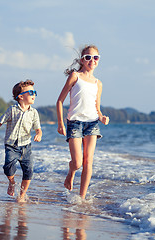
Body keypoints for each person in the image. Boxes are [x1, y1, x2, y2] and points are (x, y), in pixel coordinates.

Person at [56, 45, 110, 200]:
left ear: (98, 60)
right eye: (88, 57)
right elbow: (60, 101)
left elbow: (97, 107)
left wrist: (102, 117)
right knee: (78, 162)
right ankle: (71, 172)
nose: (92, 60)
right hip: (74, 122)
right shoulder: (75, 76)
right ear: (82, 60)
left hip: (92, 123)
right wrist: (60, 123)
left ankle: (82, 198)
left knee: (88, 161)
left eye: (95, 57)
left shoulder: (98, 83)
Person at [0, 80, 42, 203]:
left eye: (35, 92)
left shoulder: (34, 112)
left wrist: (38, 134)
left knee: (29, 170)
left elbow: (38, 128)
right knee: (8, 168)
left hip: (26, 146)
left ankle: (22, 195)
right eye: (31, 92)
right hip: (11, 145)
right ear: (21, 97)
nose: (34, 94)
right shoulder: (12, 110)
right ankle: (12, 182)